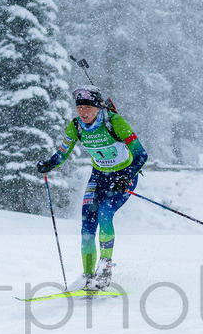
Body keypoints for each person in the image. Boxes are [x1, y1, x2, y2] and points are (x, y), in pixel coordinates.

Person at [37, 86, 148, 291]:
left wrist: (127, 175)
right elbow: (62, 153)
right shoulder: (76, 126)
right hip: (98, 178)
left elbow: (141, 155)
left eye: (88, 107)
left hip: (122, 178)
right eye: (79, 107)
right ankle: (87, 278)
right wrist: (49, 164)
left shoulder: (114, 122)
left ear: (98, 108)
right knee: (87, 226)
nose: (83, 112)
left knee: (105, 214)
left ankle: (105, 269)